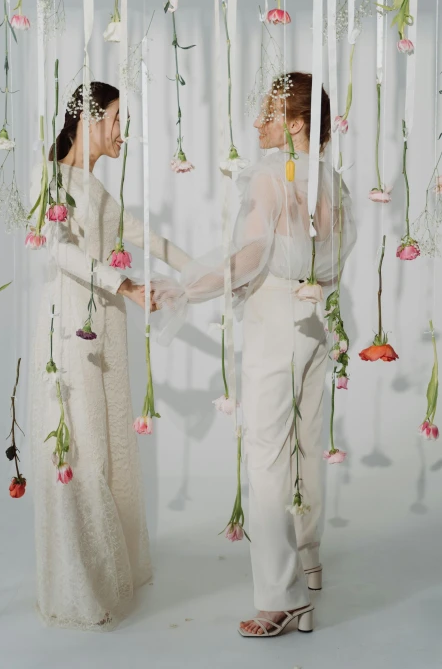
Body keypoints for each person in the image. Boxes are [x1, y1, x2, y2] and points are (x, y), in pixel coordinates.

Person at [150, 72, 357, 637]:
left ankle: (281, 597)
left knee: (266, 455)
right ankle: (309, 559)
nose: (256, 122)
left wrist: (184, 290)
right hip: (317, 321)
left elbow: (246, 260)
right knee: (306, 442)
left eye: (267, 114)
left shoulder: (271, 174)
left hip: (275, 324)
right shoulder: (330, 178)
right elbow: (333, 255)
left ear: (295, 124)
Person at [29, 82, 190, 631]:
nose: (124, 131)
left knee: (111, 441)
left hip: (108, 329)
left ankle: (109, 568)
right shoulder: (51, 179)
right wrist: (122, 284)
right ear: (90, 119)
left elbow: (138, 233)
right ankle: (79, 579)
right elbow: (61, 250)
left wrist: (204, 272)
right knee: (82, 440)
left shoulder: (96, 187)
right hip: (75, 323)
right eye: (118, 118)